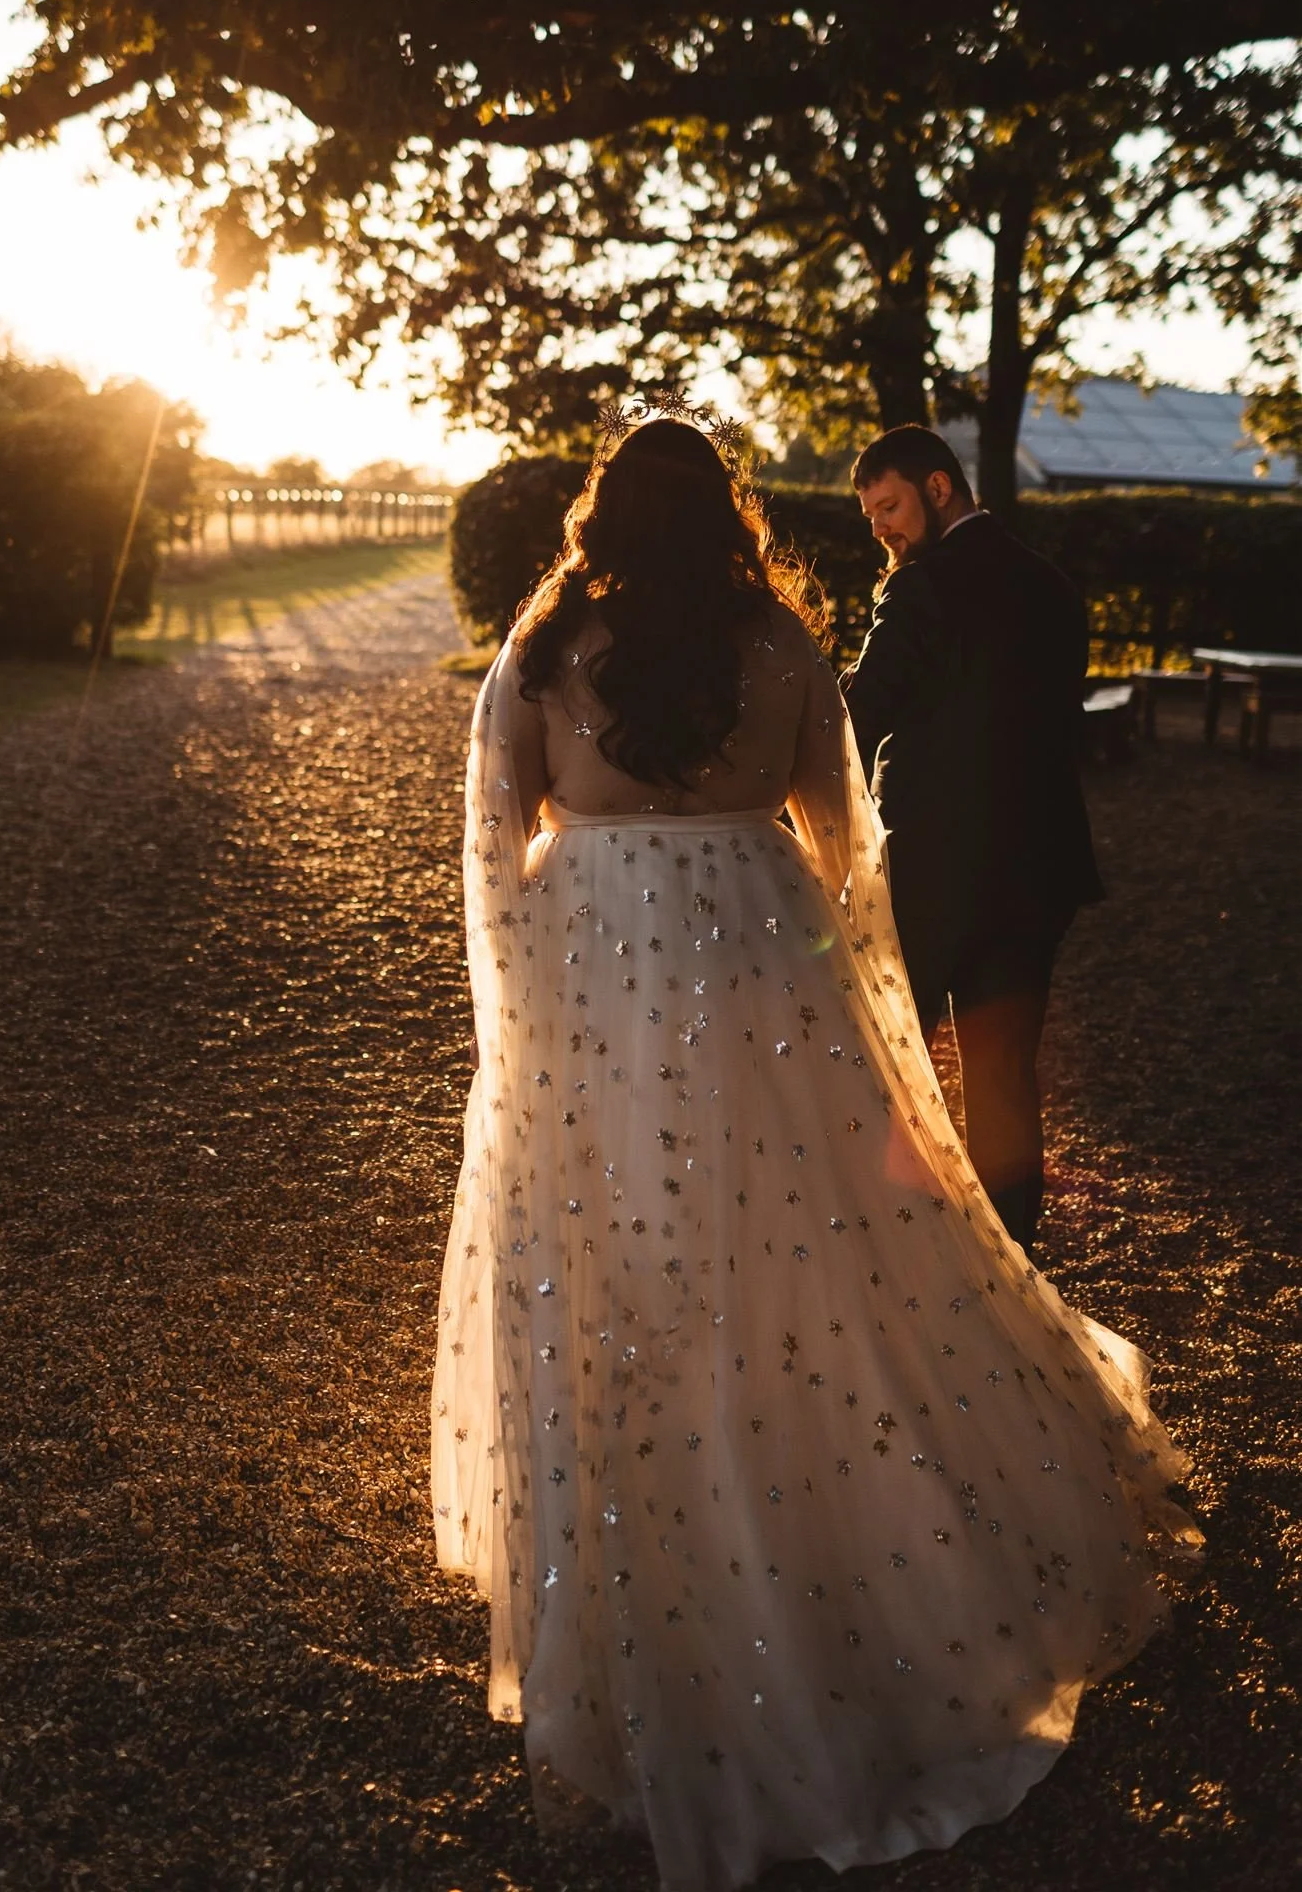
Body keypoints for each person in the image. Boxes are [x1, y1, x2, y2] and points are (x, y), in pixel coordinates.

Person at [431, 414, 1197, 1892]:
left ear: (603, 512)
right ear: (725, 512)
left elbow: (489, 838)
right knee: (802, 1253)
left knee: (617, 1248)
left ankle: (624, 1571)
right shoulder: (777, 643)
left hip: (597, 974)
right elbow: (842, 843)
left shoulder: (546, 644)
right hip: (755, 960)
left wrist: (540, 970)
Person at [841, 426, 1104, 1252]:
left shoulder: (922, 588)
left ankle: (900, 1244)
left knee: (892, 1057)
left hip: (936, 868)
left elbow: (863, 710)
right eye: (871, 515)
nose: (880, 527)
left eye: (888, 506)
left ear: (938, 487)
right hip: (1038, 866)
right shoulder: (1051, 585)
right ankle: (1011, 1256)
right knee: (1002, 1070)